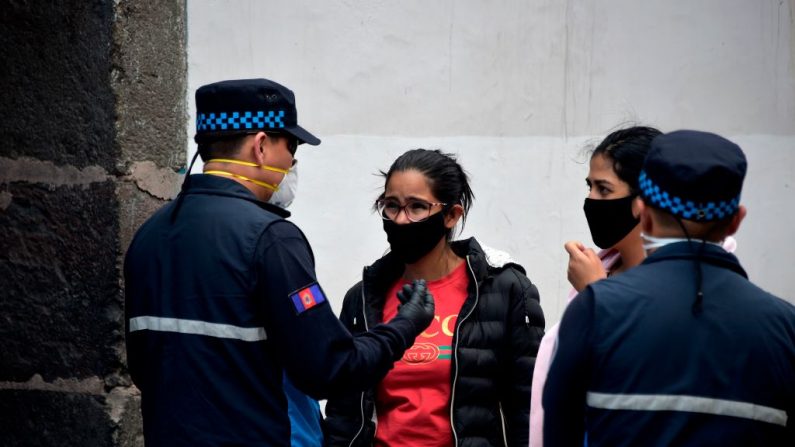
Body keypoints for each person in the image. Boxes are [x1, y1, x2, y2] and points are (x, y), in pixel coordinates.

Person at [124, 78, 436, 446]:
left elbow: (145, 367)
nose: (292, 162)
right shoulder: (269, 238)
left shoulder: (150, 235)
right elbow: (330, 368)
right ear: (261, 146)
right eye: (291, 146)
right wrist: (404, 326)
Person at [543, 130, 795, 446]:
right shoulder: (786, 327)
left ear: (642, 213)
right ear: (736, 220)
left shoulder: (596, 308)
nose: (593, 198)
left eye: (603, 189)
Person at [324, 149, 545, 446]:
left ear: (451, 215)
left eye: (416, 207)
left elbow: (527, 408)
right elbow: (344, 410)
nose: (401, 220)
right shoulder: (363, 298)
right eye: (391, 206)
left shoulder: (504, 290)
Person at [529, 126, 661, 446]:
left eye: (604, 189)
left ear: (643, 201)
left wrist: (598, 294)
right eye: (589, 187)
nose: (591, 200)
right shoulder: (602, 269)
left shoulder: (674, 282)